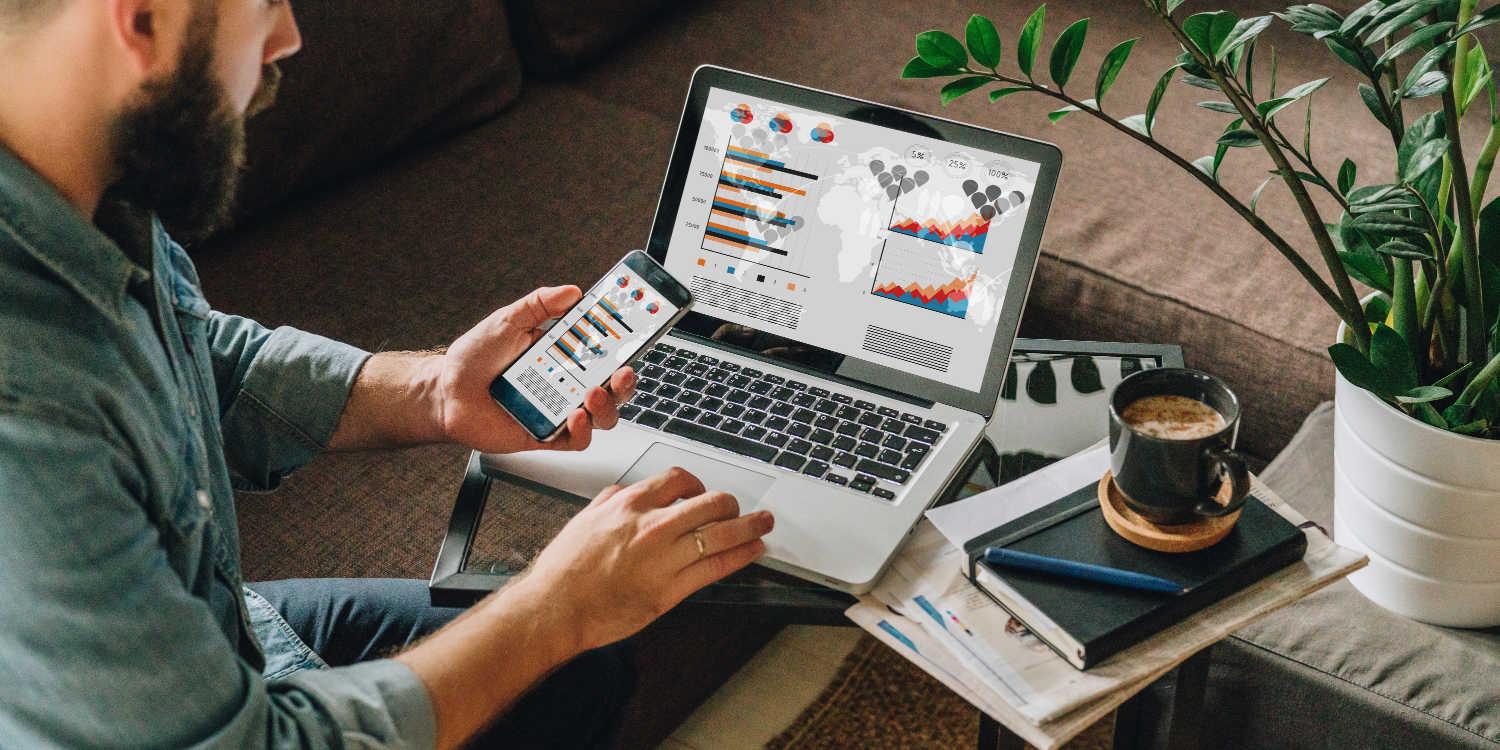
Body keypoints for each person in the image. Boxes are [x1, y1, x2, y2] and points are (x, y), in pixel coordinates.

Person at [0, 1, 775, 747]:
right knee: (563, 638)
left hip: (222, 623)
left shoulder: (88, 176)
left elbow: (193, 352)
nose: (289, 40)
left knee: (580, 676)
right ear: (141, 20)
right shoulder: (27, 421)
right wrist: (559, 605)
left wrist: (433, 394)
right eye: (268, 4)